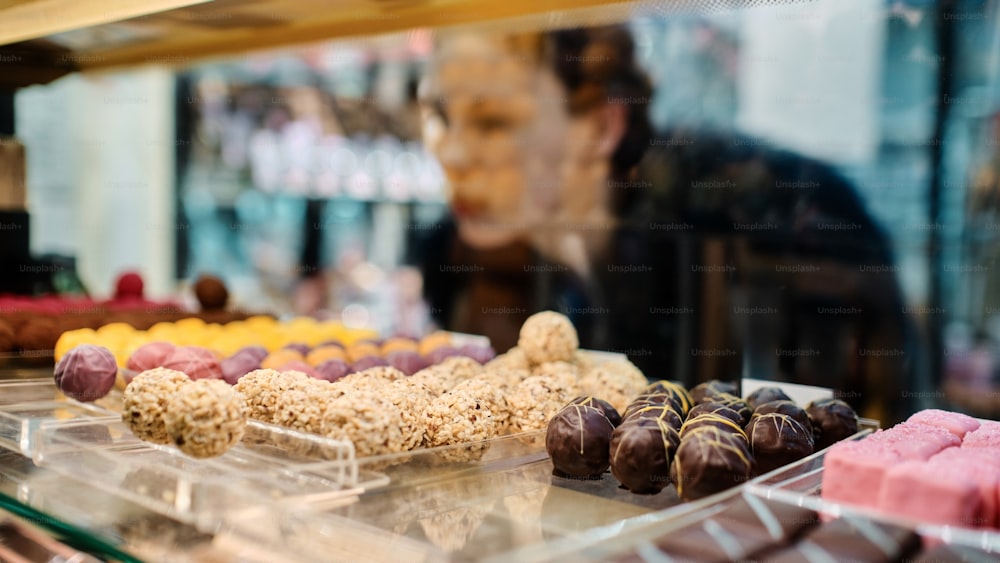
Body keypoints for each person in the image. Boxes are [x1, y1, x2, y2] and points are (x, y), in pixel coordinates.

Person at [413, 26, 920, 423]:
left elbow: (850, 426)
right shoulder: (475, 255)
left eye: (493, 121)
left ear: (602, 126)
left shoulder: (739, 215)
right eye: (439, 113)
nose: (450, 153)